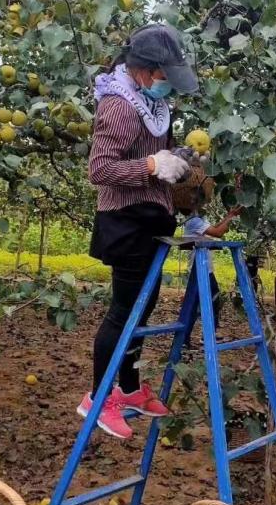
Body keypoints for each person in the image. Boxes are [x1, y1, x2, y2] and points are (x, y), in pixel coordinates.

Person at [79, 23, 198, 439]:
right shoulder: (119, 106)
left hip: (150, 218)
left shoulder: (152, 105)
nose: (168, 86)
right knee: (123, 312)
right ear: (144, 71)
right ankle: (97, 398)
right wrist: (151, 166)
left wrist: (173, 157)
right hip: (125, 223)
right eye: (165, 76)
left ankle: (128, 388)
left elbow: (150, 153)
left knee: (141, 310)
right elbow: (101, 170)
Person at [173, 167, 242, 334]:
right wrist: (231, 218)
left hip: (203, 267)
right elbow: (218, 232)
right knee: (210, 300)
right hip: (200, 268)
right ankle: (207, 335)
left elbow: (216, 228)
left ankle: (187, 338)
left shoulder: (197, 219)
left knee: (198, 302)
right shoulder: (193, 221)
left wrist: (230, 214)